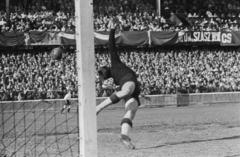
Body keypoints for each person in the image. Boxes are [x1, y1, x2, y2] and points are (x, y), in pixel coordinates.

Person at [96, 18, 141, 150]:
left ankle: (124, 136)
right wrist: (112, 29)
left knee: (130, 113)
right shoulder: (115, 64)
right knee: (126, 92)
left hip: (133, 90)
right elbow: (111, 46)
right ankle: (97, 108)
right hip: (129, 84)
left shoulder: (115, 76)